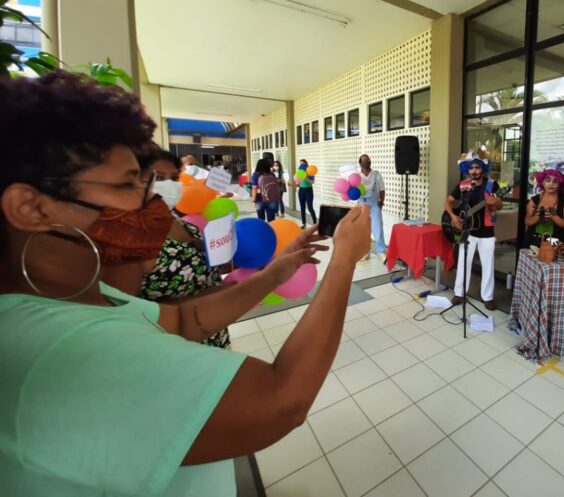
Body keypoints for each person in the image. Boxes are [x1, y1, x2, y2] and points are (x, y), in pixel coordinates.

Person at [0, 71, 372, 496]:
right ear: (31, 207)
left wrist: (279, 268)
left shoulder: (79, 297)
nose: (153, 201)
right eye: (128, 184)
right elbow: (282, 399)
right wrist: (344, 261)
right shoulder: (60, 352)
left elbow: (184, 318)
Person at [102, 147, 231, 349]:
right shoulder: (128, 239)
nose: (170, 185)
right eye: (159, 178)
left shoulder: (177, 220)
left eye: (174, 177)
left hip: (213, 335)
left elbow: (194, 266)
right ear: (134, 182)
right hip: (175, 348)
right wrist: (209, 298)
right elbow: (126, 316)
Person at [444, 158, 503, 311]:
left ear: (482, 169)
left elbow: (500, 204)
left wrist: (494, 203)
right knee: (464, 262)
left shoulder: (492, 185)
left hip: (487, 231)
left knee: (488, 265)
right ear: (467, 170)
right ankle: (459, 293)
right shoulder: (463, 185)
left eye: (477, 167)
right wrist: (453, 216)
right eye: (471, 168)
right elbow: (449, 202)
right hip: (467, 231)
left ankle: (488, 297)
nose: (474, 171)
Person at [525, 168, 564, 245]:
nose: (551, 184)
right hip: (533, 240)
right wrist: (538, 216)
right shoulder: (534, 200)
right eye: (548, 180)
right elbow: (527, 222)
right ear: (543, 182)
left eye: (555, 181)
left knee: (552, 256)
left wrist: (553, 216)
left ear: (560, 184)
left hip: (556, 241)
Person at [357, 154, 386, 259]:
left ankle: (381, 251)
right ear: (360, 163)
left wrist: (381, 202)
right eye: (364, 160)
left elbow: (382, 189)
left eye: (367, 159)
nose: (366, 161)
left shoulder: (376, 174)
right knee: (364, 230)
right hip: (361, 205)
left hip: (374, 204)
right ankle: (366, 252)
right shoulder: (356, 176)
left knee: (377, 228)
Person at [252, 152, 279, 222]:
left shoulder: (255, 174)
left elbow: (254, 188)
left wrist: (253, 200)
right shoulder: (272, 174)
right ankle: (271, 232)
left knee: (261, 219)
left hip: (259, 199)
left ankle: (263, 232)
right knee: (272, 220)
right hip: (271, 199)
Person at [292, 159, 317, 228]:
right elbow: (298, 183)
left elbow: (312, 182)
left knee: (310, 207)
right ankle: (303, 223)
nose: (302, 165)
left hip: (308, 190)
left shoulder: (310, 172)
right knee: (302, 207)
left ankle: (315, 223)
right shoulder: (299, 173)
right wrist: (293, 184)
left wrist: (306, 178)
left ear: (306, 164)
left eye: (303, 163)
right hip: (301, 190)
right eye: (300, 164)